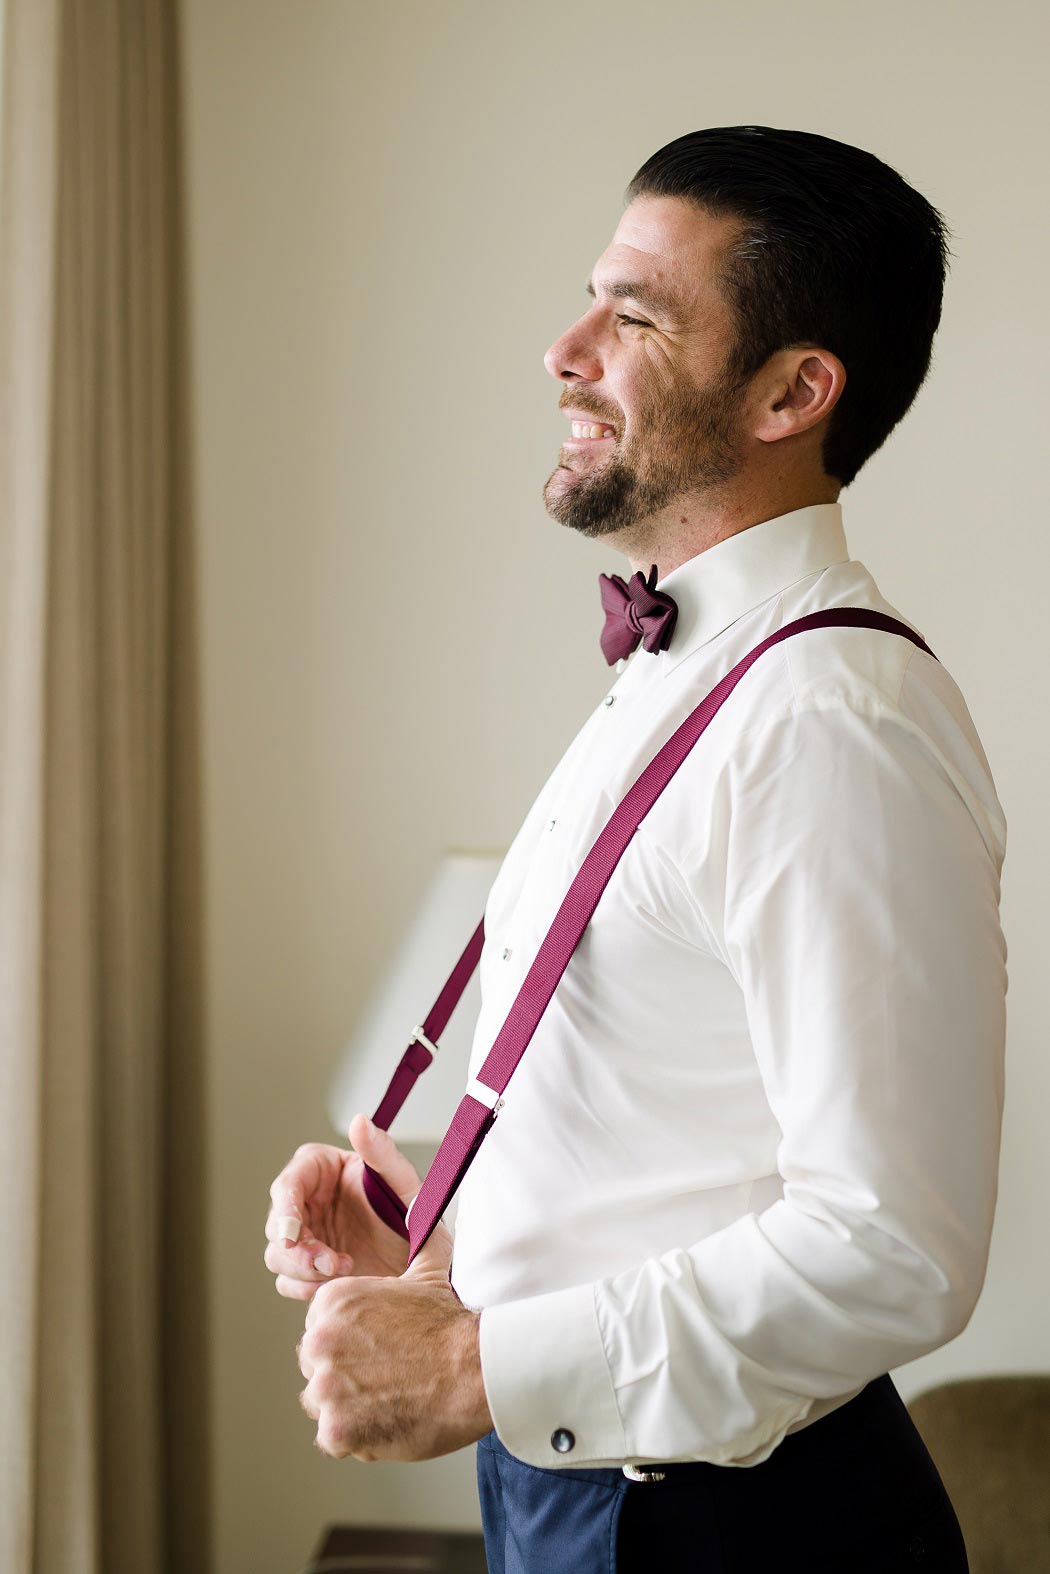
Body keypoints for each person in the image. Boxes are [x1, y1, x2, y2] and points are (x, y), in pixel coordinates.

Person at [264, 126, 1007, 1571]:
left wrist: (479, 1364)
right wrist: (453, 1256)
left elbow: (889, 1244)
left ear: (795, 389)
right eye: (587, 297)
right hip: (582, 1489)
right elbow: (678, 1121)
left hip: (730, 1526)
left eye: (636, 316)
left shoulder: (831, 721)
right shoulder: (686, 663)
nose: (564, 348)